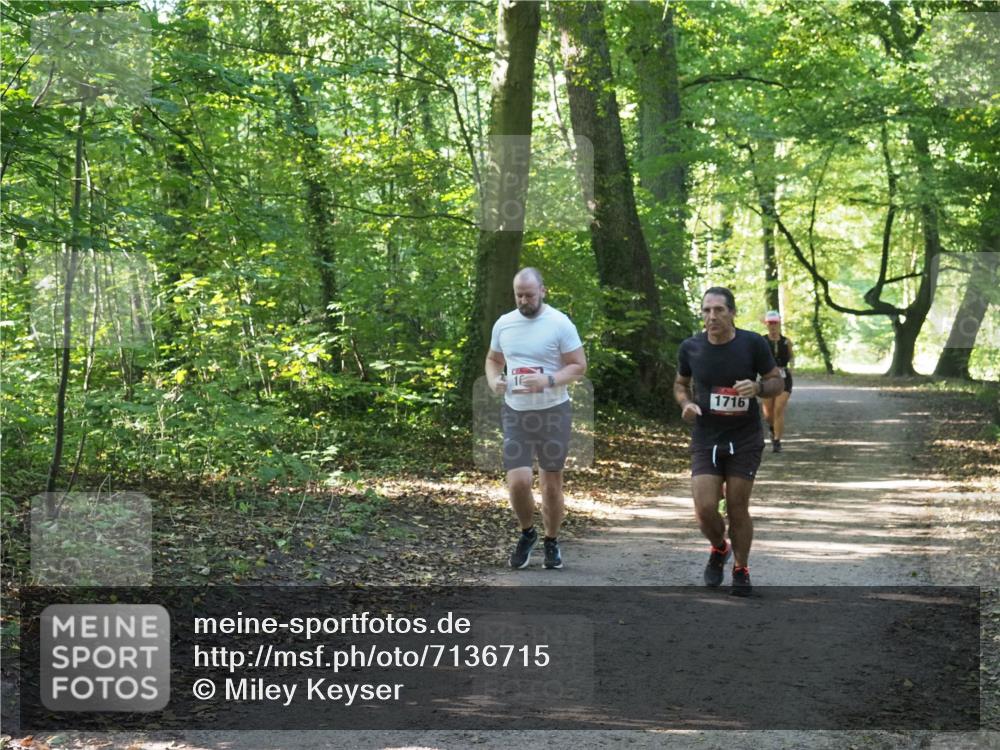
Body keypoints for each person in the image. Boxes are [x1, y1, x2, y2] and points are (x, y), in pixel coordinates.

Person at [674, 287, 783, 596]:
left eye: (719, 310)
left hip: (744, 438)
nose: (712, 316)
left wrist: (758, 388)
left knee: (737, 506)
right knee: (705, 508)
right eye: (707, 310)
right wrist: (686, 404)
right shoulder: (691, 347)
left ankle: (741, 568)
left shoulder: (753, 343)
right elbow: (681, 384)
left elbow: (776, 382)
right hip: (706, 437)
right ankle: (720, 547)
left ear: (732, 313)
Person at [485, 268, 587, 570]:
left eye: (529, 295)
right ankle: (527, 532)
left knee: (550, 484)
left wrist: (549, 380)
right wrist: (493, 380)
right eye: (519, 295)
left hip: (553, 412)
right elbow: (493, 359)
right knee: (518, 482)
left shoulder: (560, 323)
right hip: (516, 412)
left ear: (543, 291)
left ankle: (551, 540)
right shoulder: (504, 323)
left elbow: (579, 365)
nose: (523, 300)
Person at [761, 310, 794, 453]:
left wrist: (791, 368)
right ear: (766, 324)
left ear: (779, 323)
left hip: (784, 378)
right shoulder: (761, 341)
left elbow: (791, 357)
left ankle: (777, 441)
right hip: (767, 378)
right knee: (768, 413)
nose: (773, 326)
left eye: (775, 323)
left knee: (779, 408)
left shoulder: (786, 341)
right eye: (770, 323)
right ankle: (772, 427)